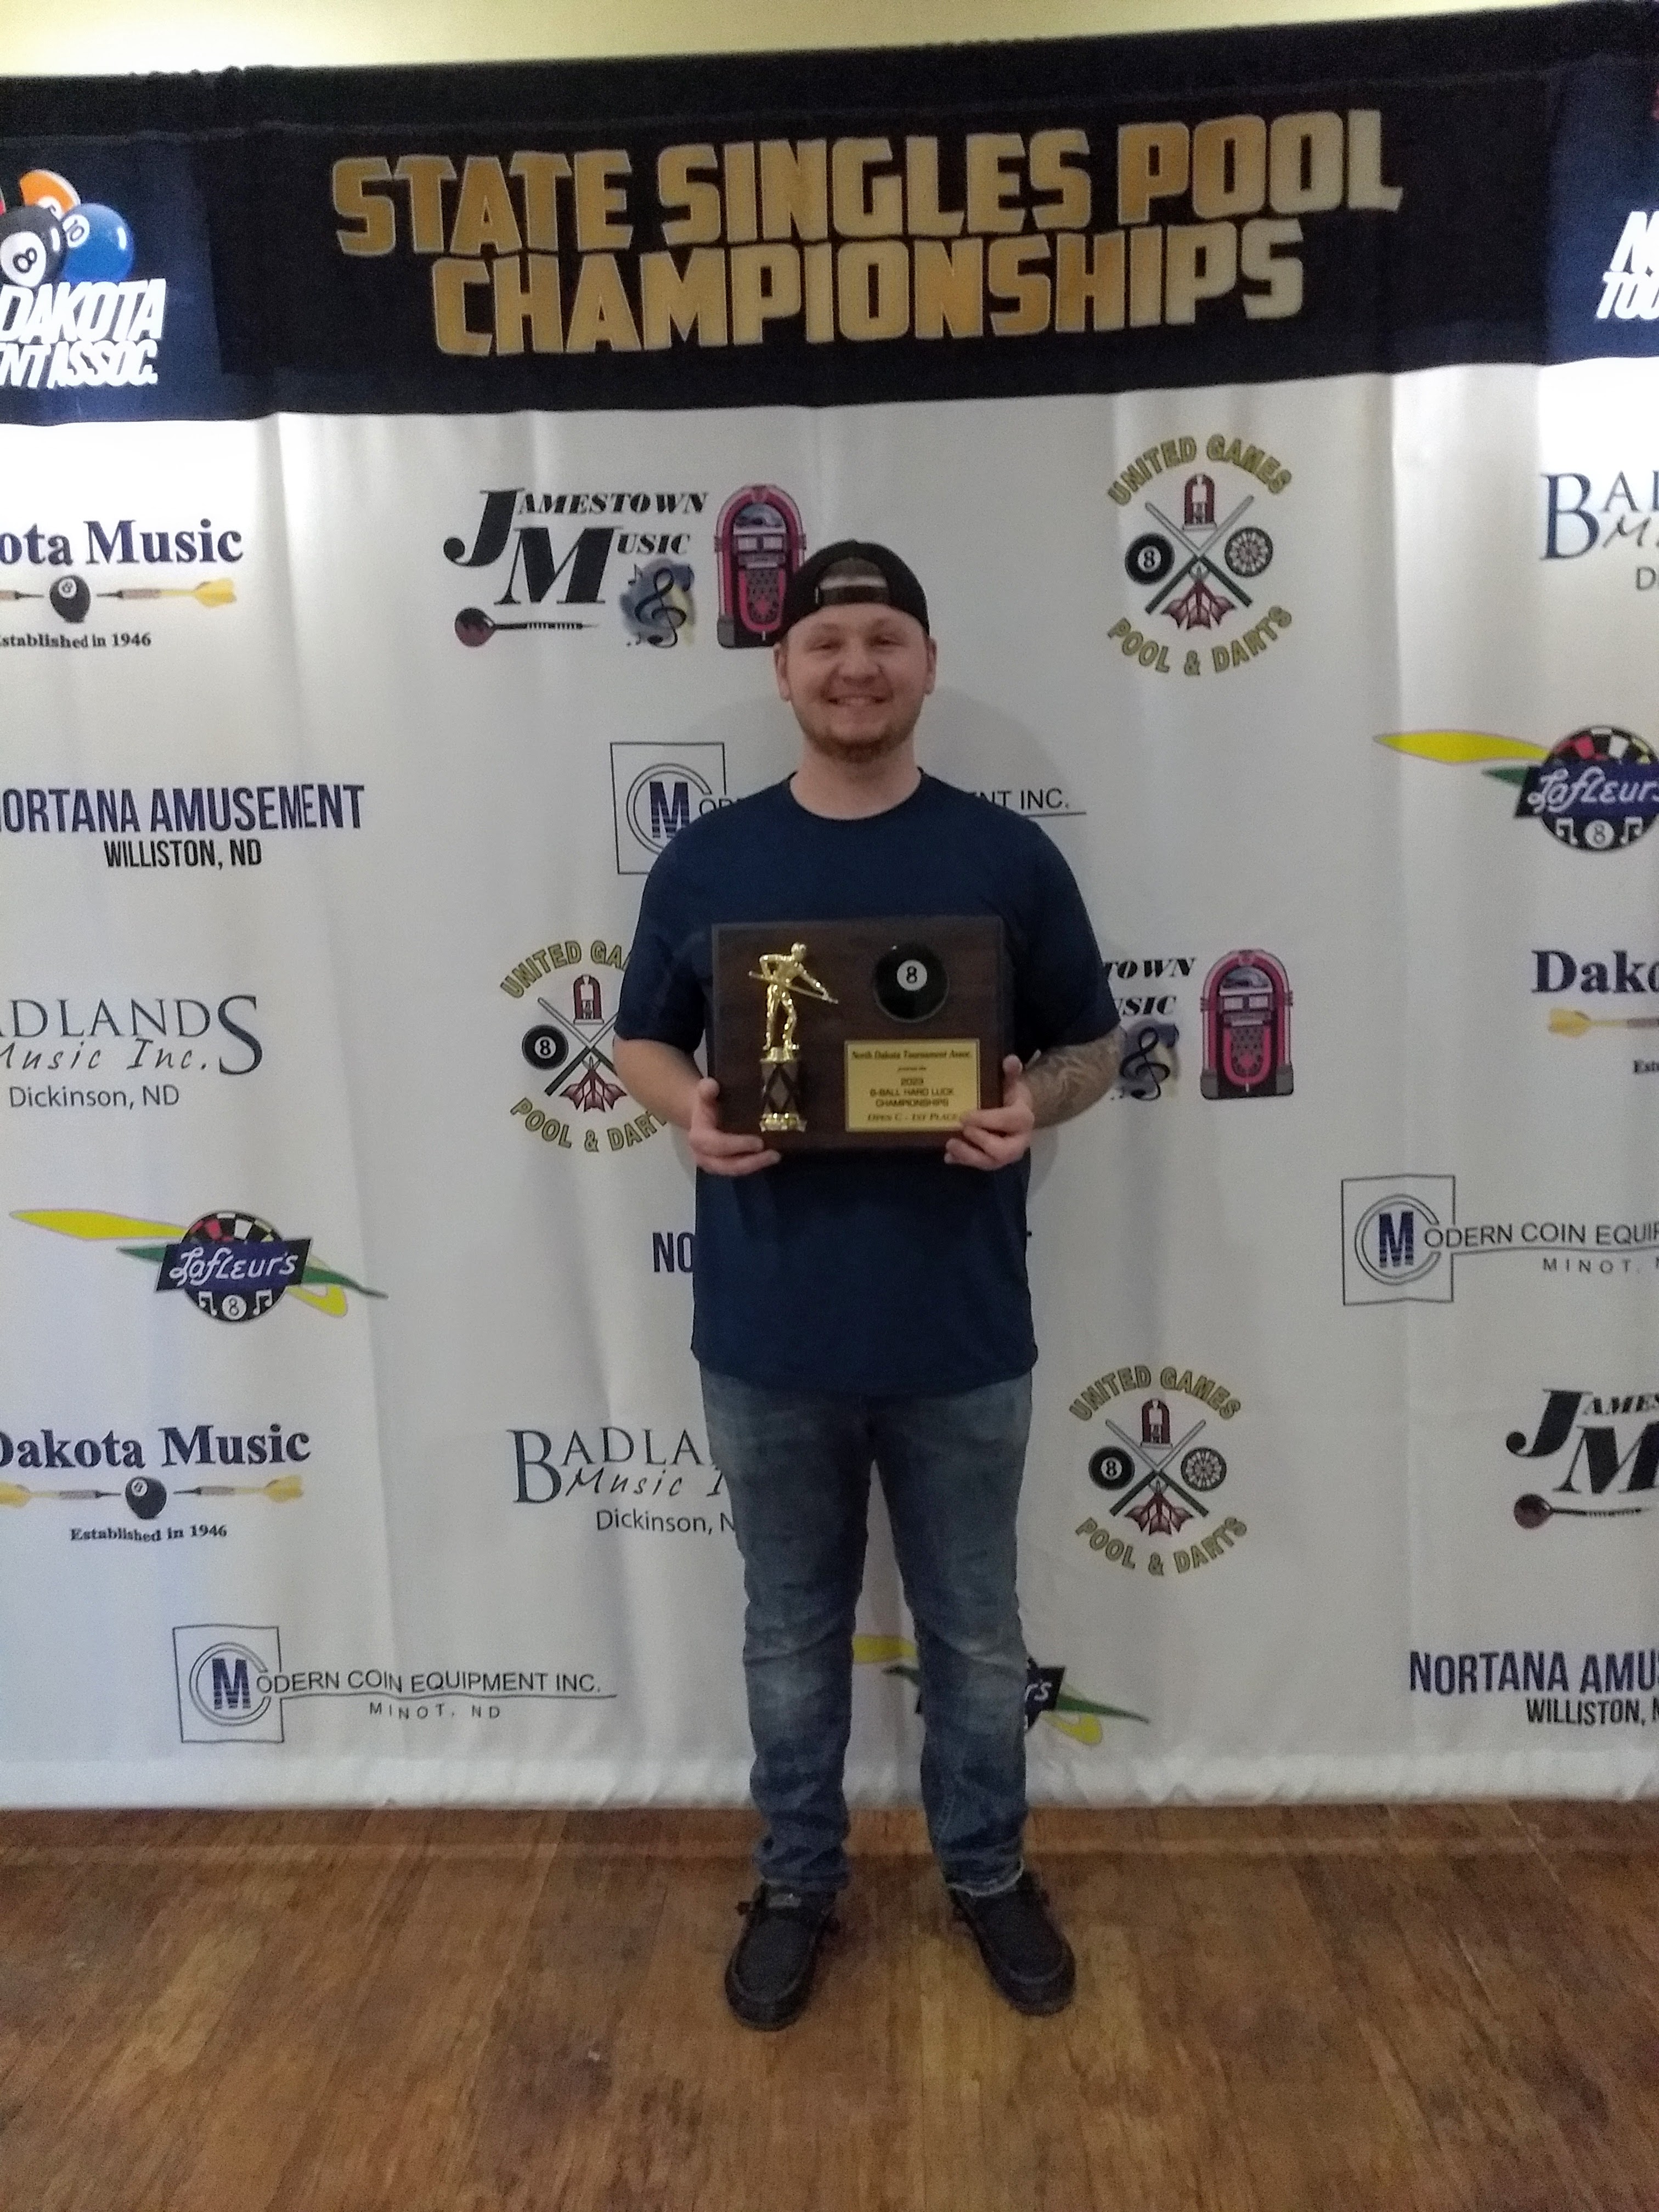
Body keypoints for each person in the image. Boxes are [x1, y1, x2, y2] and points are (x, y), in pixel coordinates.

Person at [613, 541, 1121, 2030]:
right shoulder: (708, 860)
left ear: (927, 664)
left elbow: (1094, 1044)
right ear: (783, 668)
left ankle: (988, 1871)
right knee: (789, 1634)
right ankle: (795, 1883)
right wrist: (688, 1112)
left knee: (975, 1635)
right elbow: (641, 1039)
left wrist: (1035, 1106)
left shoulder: (1006, 858)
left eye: (885, 638)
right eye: (828, 642)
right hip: (768, 1332)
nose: (857, 667)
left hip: (962, 1329)